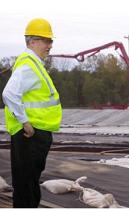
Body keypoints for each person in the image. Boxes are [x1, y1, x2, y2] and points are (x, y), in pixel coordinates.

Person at [2, 18, 62, 208]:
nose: (50, 45)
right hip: (30, 135)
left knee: (27, 184)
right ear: (32, 42)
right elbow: (9, 94)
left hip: (34, 135)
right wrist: (25, 122)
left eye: (50, 41)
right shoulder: (29, 65)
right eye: (46, 41)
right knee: (26, 186)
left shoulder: (33, 64)